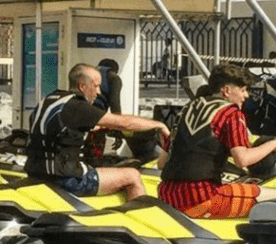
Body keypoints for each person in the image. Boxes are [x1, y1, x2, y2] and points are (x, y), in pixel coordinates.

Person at [157, 63, 276, 218]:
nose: (246, 95)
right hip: (201, 199)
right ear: (226, 90)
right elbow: (242, 159)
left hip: (166, 195)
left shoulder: (187, 109)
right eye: (243, 89)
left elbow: (161, 163)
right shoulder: (231, 114)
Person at [25, 63, 170, 199]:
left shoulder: (51, 99)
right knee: (132, 175)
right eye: (96, 86)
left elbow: (64, 128)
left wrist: (102, 127)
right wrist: (158, 125)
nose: (98, 92)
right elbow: (125, 123)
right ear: (82, 86)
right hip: (68, 180)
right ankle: (138, 221)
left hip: (36, 173)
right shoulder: (78, 106)